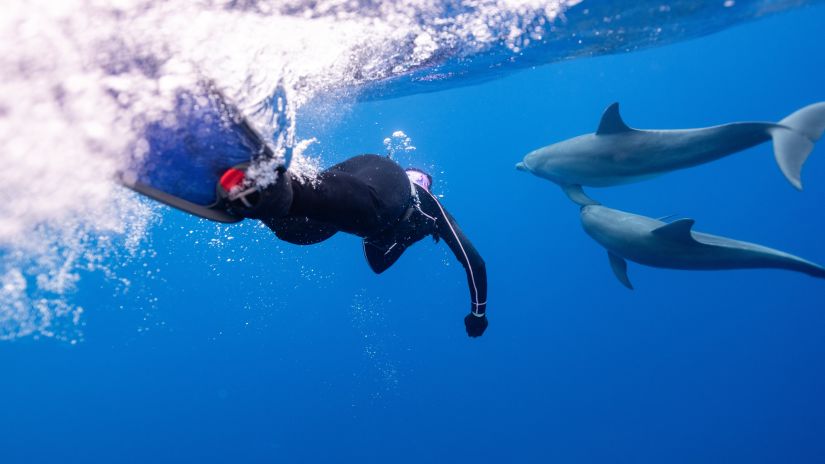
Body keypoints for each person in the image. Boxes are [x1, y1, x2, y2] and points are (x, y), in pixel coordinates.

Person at [217, 154, 488, 337]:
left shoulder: (409, 218)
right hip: (385, 189)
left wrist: (404, 239)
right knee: (355, 211)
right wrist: (478, 314)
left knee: (303, 231)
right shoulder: (430, 206)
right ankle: (264, 180)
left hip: (363, 168)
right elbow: (474, 262)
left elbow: (376, 264)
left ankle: (253, 197)